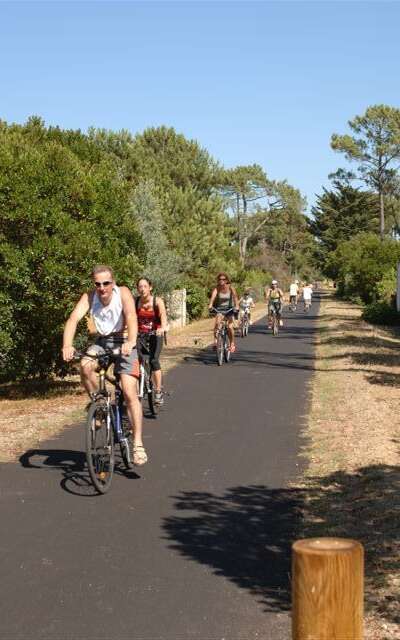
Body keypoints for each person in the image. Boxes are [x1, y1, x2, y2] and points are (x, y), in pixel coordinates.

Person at [62, 265, 147, 466]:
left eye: (106, 283)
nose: (102, 288)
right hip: (102, 342)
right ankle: (99, 406)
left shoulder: (123, 292)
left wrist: (131, 341)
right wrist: (67, 344)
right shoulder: (90, 297)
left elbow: (132, 316)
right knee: (85, 365)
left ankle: (138, 444)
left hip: (125, 340)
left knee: (128, 390)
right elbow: (73, 319)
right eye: (98, 284)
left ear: (113, 282)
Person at [135, 277, 168, 406]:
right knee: (136, 360)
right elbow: (130, 317)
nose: (142, 289)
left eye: (145, 286)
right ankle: (142, 382)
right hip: (140, 335)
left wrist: (163, 328)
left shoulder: (157, 301)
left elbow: (163, 316)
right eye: (140, 287)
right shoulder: (136, 301)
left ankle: (158, 391)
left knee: (154, 360)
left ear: (150, 287)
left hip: (155, 334)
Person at [208, 272, 239, 352]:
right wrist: (210, 305)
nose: (221, 280)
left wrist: (236, 306)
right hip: (220, 309)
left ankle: (232, 343)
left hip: (229, 309)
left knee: (229, 327)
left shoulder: (231, 287)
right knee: (217, 324)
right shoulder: (217, 288)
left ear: (226, 280)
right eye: (219, 279)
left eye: (223, 279)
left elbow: (235, 298)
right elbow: (213, 297)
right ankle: (215, 342)